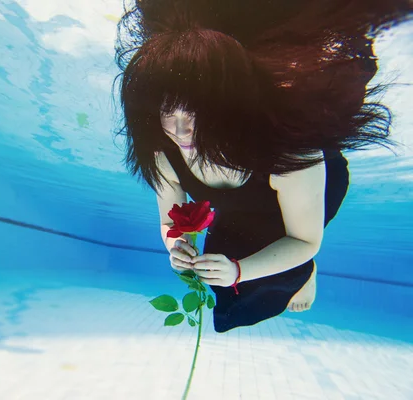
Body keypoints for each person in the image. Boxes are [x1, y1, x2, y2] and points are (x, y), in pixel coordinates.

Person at [113, 0, 412, 332]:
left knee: (279, 255)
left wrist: (241, 270)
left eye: (194, 113)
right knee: (222, 273)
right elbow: (170, 222)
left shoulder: (296, 156)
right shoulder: (164, 153)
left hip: (307, 184)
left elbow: (304, 241)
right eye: (167, 112)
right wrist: (176, 247)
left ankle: (306, 272)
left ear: (225, 105)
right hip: (243, 201)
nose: (179, 131)